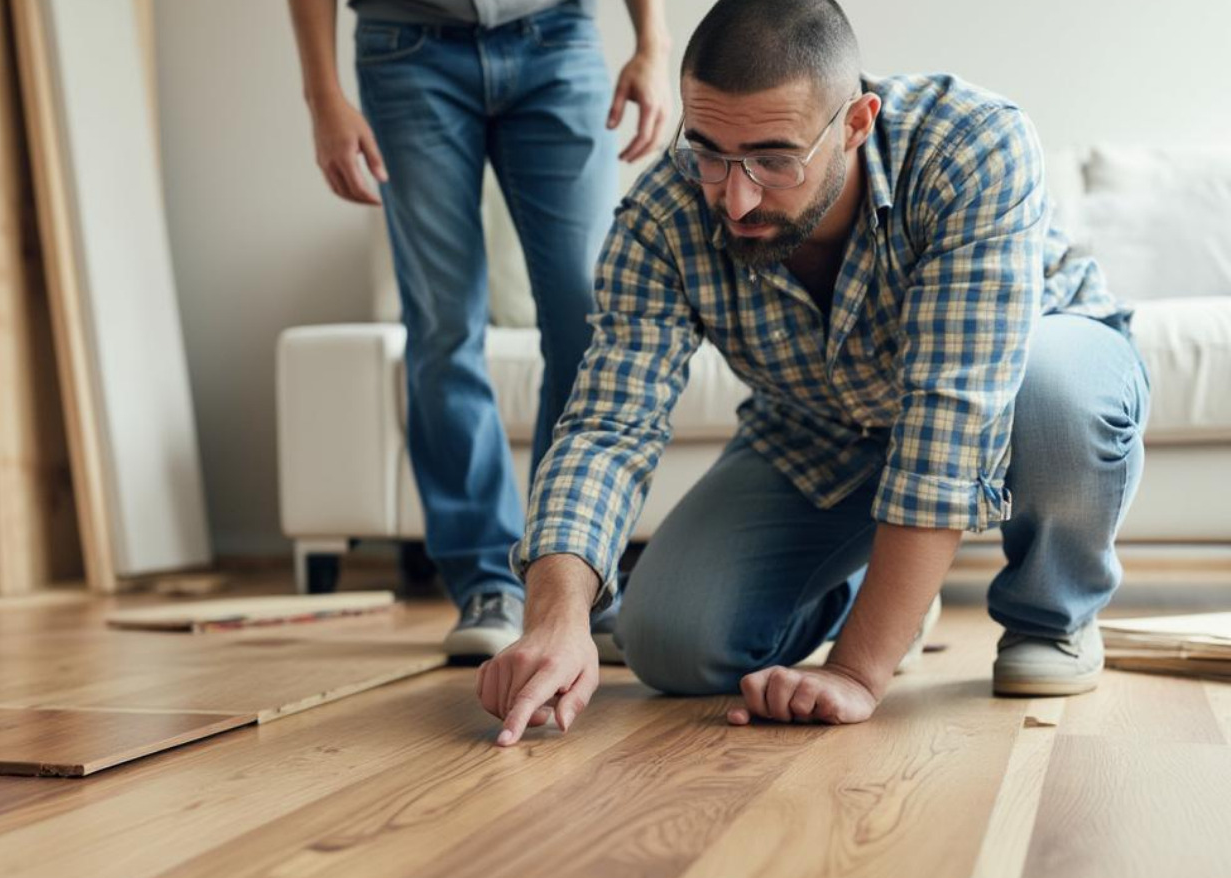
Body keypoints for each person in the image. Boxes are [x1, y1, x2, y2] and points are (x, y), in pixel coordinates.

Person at [477, 0, 1150, 744]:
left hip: (1024, 381)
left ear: (857, 123)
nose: (735, 199)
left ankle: (1049, 619)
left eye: (773, 159)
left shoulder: (972, 144)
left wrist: (859, 671)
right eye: (708, 153)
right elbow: (608, 427)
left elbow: (953, 418)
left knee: (1054, 392)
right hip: (820, 425)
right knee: (668, 644)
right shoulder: (662, 216)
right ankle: (886, 589)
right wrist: (557, 617)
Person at [289, 0, 672, 658]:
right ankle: (488, 584)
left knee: (588, 318)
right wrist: (323, 96)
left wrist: (652, 44)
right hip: (406, 48)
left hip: (558, 34)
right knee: (442, 327)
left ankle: (578, 577)